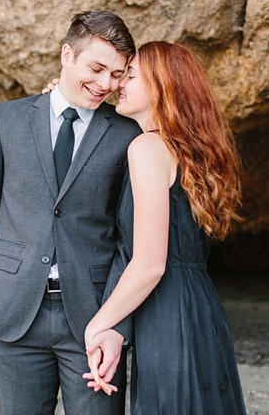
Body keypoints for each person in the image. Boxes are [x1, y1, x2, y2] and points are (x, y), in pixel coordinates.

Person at [0, 10, 141, 415]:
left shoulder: (127, 134)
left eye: (117, 74)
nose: (105, 84)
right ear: (67, 55)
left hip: (93, 320)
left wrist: (115, 325)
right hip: (11, 315)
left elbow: (129, 240)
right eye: (96, 68)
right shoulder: (6, 119)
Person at [82, 41, 247, 414]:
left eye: (131, 75)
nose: (119, 83)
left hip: (168, 317)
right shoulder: (192, 151)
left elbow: (150, 264)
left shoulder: (147, 148)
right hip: (202, 310)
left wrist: (98, 325)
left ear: (160, 86)